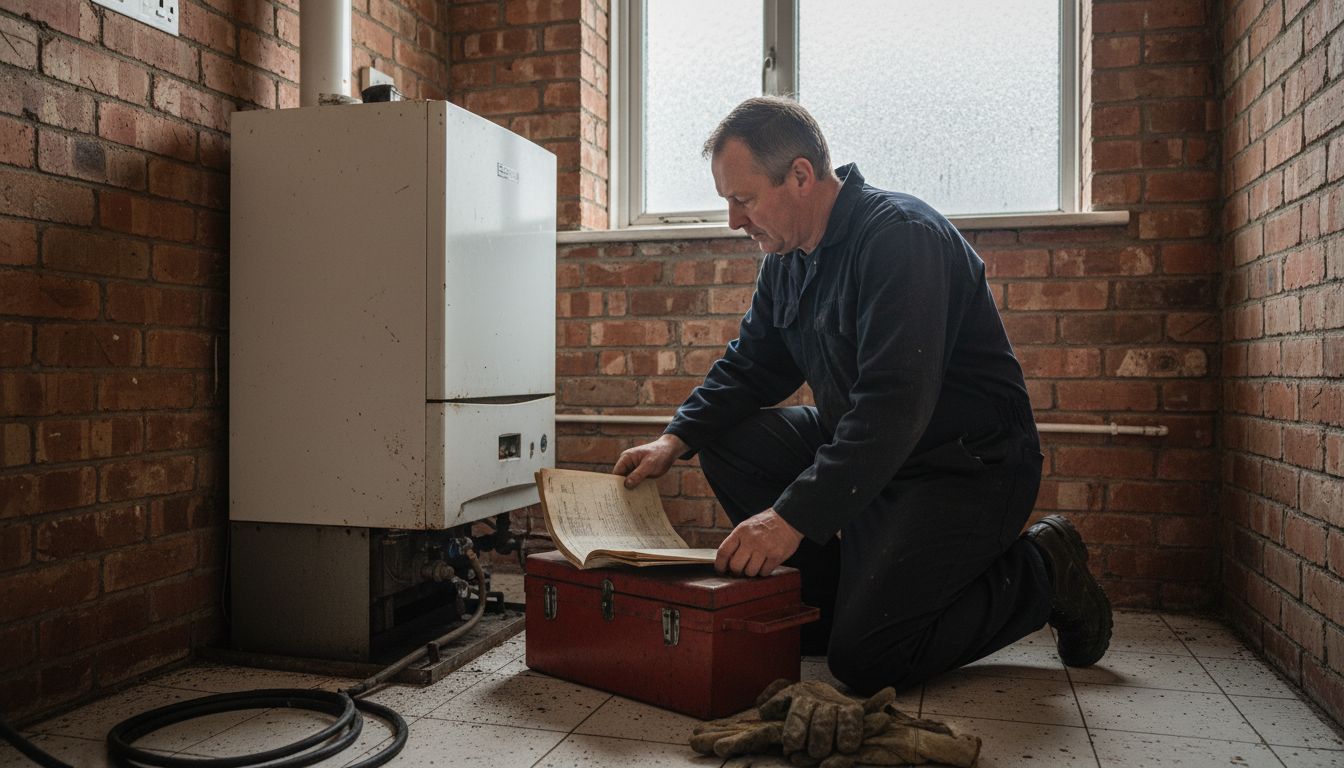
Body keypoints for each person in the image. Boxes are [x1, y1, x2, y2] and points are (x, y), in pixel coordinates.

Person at [613, 96, 1112, 692]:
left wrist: (789, 518)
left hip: (964, 464)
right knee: (724, 437)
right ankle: (831, 603)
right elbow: (752, 365)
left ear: (800, 175)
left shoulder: (900, 238)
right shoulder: (787, 258)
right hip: (874, 449)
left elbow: (894, 406)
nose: (733, 221)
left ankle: (1043, 571)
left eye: (742, 200)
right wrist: (675, 438)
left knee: (868, 661)